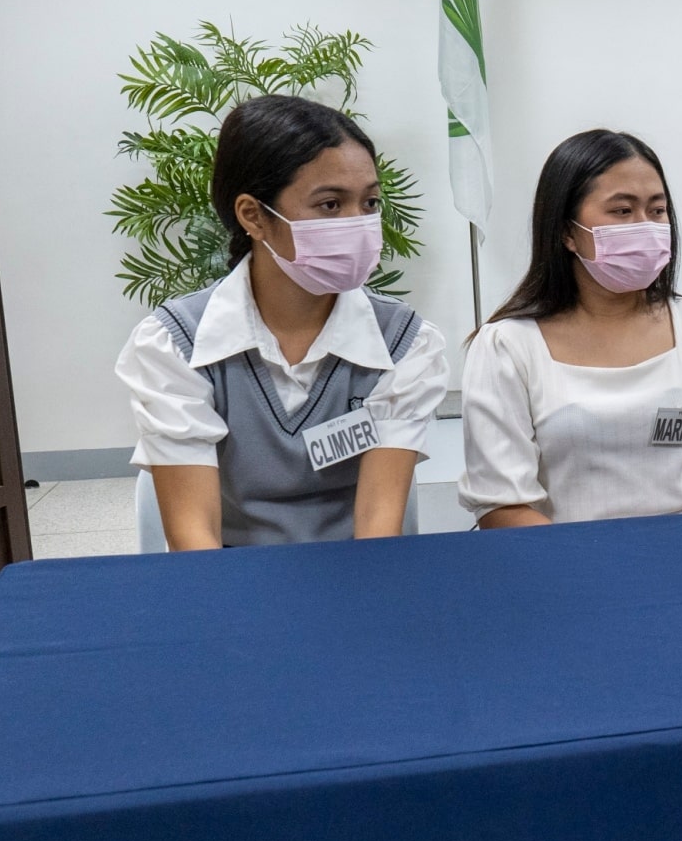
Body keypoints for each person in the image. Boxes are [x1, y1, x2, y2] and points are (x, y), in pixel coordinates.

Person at [115, 94, 448, 548]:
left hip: (356, 575)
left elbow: (378, 528)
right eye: (330, 205)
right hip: (233, 582)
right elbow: (195, 539)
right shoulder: (174, 345)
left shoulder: (406, 344)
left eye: (369, 203)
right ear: (253, 215)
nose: (359, 223)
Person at [460, 128, 682, 526]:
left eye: (656, 211)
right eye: (622, 211)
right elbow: (501, 504)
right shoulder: (508, 346)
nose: (645, 225)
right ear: (567, 231)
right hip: (567, 568)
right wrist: (593, 573)